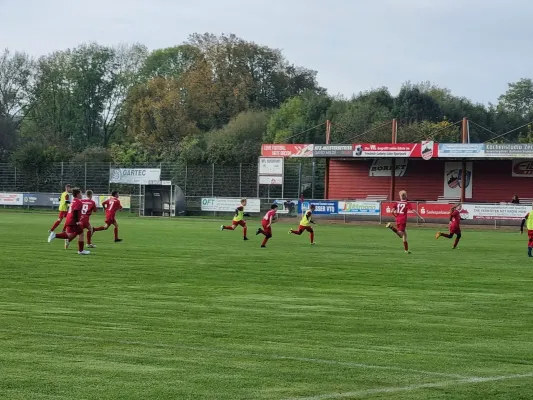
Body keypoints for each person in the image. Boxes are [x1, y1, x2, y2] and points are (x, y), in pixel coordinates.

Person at [47, 188, 90, 255]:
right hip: (73, 221)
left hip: (69, 220)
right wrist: (77, 221)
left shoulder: (73, 201)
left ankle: (81, 250)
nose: (82, 195)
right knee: (73, 235)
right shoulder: (79, 202)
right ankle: (80, 251)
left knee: (76, 234)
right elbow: (75, 212)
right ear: (78, 194)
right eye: (81, 193)